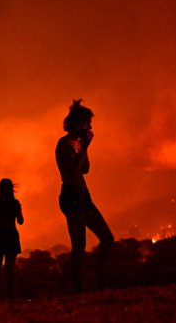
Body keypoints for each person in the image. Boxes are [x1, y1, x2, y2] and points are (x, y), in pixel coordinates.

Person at [56, 100, 114, 292]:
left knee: (107, 238)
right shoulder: (63, 144)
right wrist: (85, 146)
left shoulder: (78, 143)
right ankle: (78, 287)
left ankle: (99, 280)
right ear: (78, 122)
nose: (89, 127)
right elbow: (72, 170)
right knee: (79, 245)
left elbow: (86, 169)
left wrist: (84, 146)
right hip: (71, 194)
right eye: (87, 123)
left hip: (83, 194)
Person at [0, 178, 24, 300]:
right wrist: (18, 209)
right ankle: (10, 295)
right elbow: (20, 221)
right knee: (9, 268)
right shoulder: (15, 203)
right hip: (11, 234)